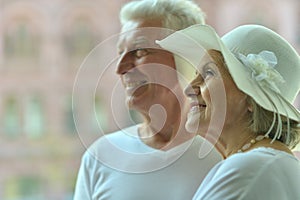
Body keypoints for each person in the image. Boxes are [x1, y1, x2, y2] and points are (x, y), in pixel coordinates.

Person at [73, 1, 222, 199]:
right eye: (120, 53)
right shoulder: (100, 156)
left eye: (140, 51)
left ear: (186, 58)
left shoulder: (226, 154)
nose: (120, 68)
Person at [157, 24, 300, 199]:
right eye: (196, 74)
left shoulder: (249, 168)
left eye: (209, 73)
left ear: (251, 99)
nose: (190, 88)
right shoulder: (271, 163)